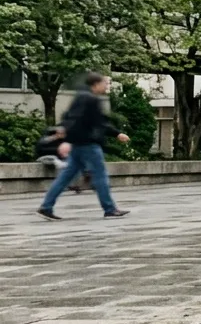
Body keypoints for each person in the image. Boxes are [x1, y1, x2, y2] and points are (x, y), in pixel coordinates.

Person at [36, 73, 131, 221]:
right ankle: (110, 209)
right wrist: (117, 133)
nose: (106, 86)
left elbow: (68, 117)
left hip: (78, 145)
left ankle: (46, 206)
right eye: (104, 83)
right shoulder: (91, 99)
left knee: (65, 176)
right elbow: (98, 123)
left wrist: (67, 139)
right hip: (89, 144)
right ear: (96, 84)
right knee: (100, 176)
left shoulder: (80, 97)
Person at [35, 126, 88, 194]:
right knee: (61, 164)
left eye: (63, 133)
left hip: (59, 158)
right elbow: (40, 150)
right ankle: (66, 184)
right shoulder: (47, 139)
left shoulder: (63, 141)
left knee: (75, 161)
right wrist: (57, 150)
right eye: (60, 133)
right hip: (47, 158)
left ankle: (76, 183)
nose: (62, 135)